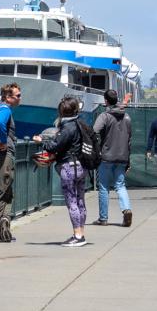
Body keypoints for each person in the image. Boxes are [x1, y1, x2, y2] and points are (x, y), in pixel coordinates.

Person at [36, 95, 93, 247]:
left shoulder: (67, 128)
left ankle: (78, 235)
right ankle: (81, 232)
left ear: (62, 112)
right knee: (80, 200)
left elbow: (55, 146)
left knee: (71, 201)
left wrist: (42, 141)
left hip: (69, 167)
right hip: (82, 166)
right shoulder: (81, 124)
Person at [0, 82, 21, 243]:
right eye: (18, 96)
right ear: (8, 97)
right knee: (3, 190)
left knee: (6, 191)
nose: (20, 98)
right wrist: (3, 140)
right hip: (3, 154)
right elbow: (0, 122)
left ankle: (3, 221)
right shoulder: (5, 110)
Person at [93, 90, 133, 227]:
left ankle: (103, 218)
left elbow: (94, 131)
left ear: (105, 101)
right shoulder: (127, 117)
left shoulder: (104, 116)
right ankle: (126, 209)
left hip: (106, 156)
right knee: (120, 186)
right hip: (122, 156)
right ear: (116, 100)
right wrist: (128, 160)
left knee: (104, 187)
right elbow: (129, 139)